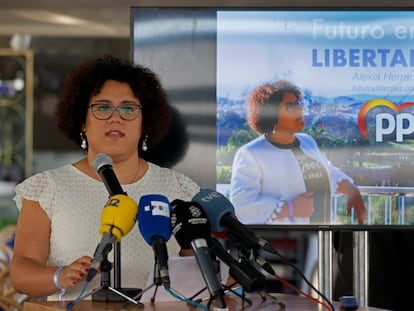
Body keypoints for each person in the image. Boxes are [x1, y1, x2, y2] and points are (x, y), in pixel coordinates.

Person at [9, 55, 200, 301]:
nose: (116, 117)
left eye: (129, 108)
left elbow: (198, 272)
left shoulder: (180, 189)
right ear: (82, 122)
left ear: (145, 123)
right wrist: (59, 276)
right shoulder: (47, 188)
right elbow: (21, 272)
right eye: (103, 107)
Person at [229, 79, 366, 225]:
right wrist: (289, 208)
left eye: (298, 104)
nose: (299, 110)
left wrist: (352, 189)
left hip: (321, 239)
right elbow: (241, 204)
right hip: (284, 244)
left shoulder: (307, 141)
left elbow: (328, 172)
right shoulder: (251, 154)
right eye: (290, 106)